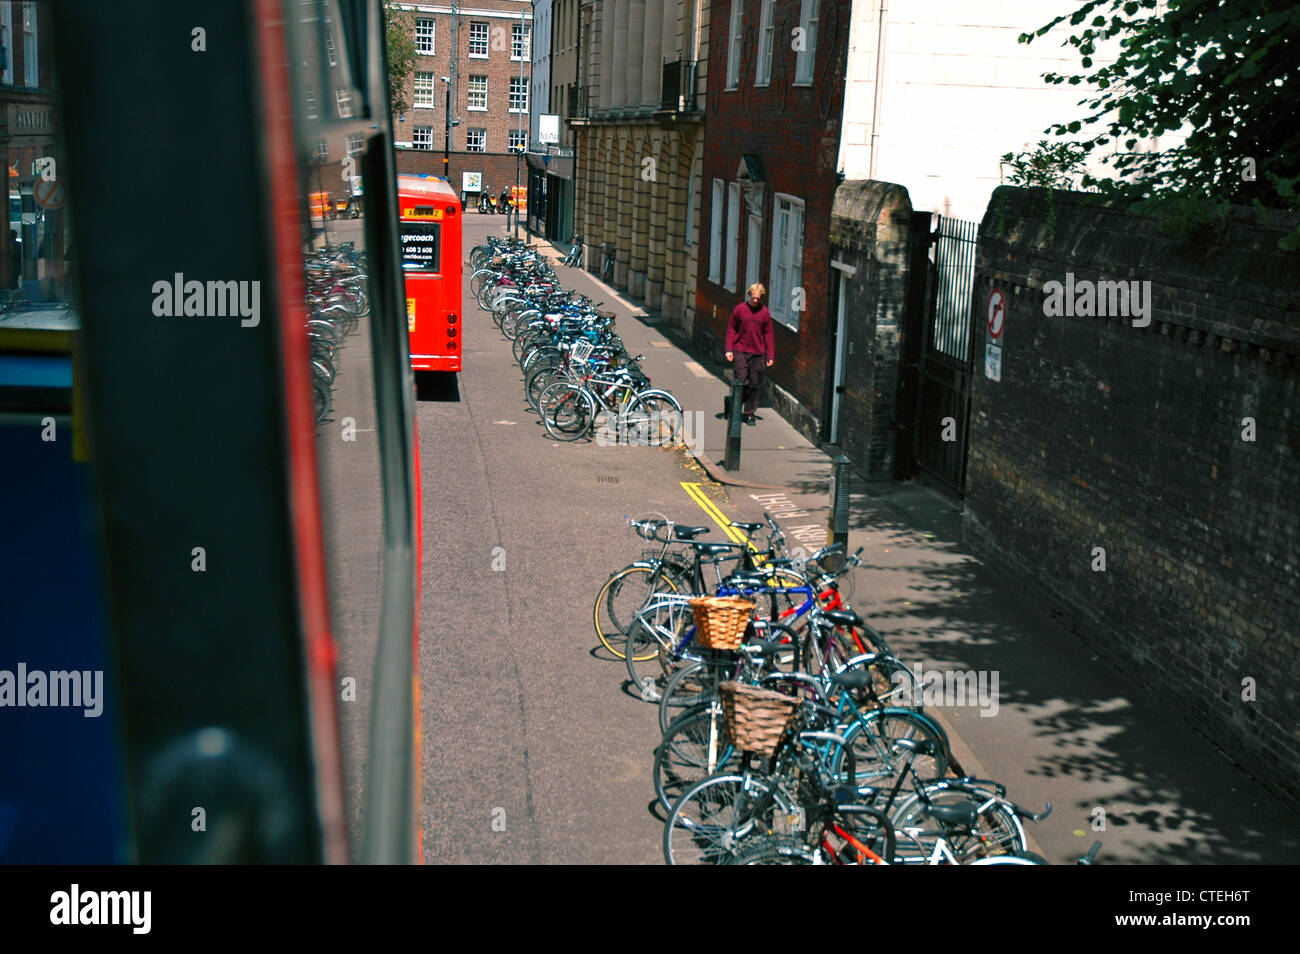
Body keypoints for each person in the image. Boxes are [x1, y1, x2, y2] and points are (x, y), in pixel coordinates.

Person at [724, 283, 775, 426]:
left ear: (762, 297)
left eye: (758, 299)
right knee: (741, 380)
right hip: (740, 350)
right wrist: (729, 349)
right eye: (753, 298)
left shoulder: (765, 313)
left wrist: (770, 356)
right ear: (749, 296)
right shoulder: (739, 310)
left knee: (755, 384)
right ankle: (734, 408)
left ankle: (749, 413)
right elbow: (731, 330)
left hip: (758, 353)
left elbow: (768, 335)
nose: (755, 301)